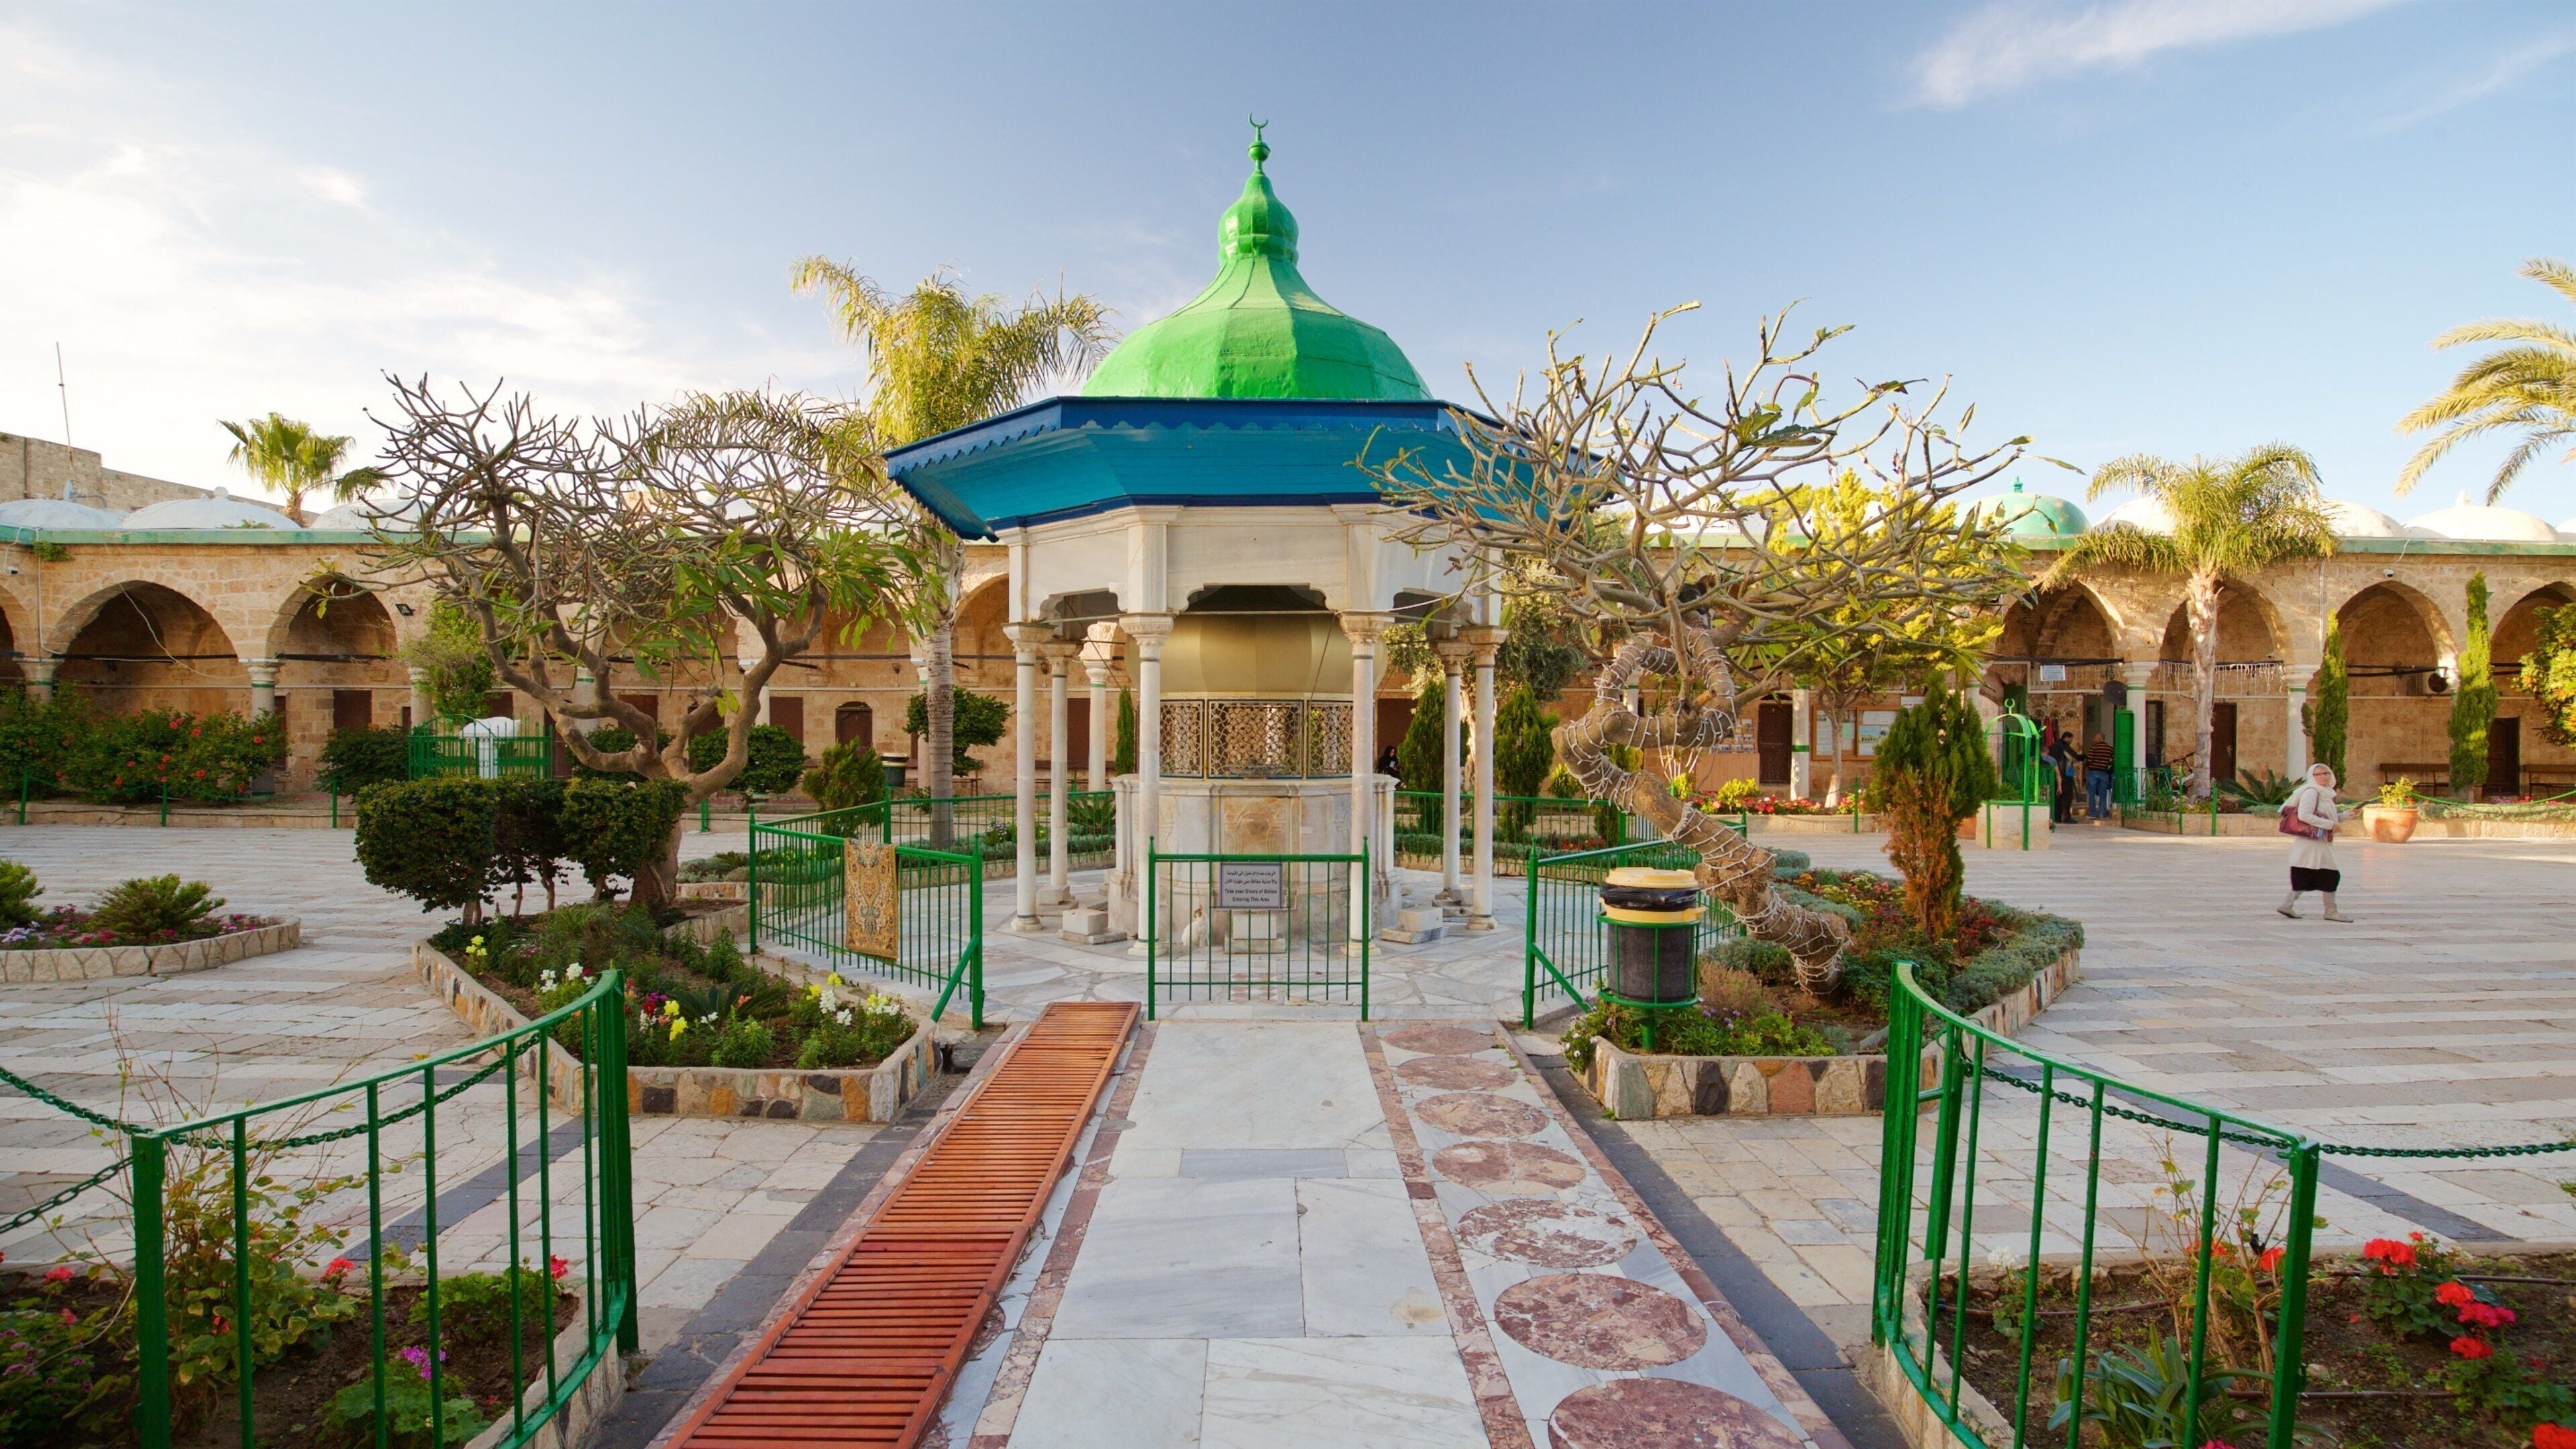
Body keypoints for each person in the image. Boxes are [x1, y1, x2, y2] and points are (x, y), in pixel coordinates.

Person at [2279, 762, 2354, 921]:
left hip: (2317, 842)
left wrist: (2346, 815)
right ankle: (2331, 911)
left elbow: (2325, 816)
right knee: (2331, 874)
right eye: (2318, 774)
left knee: (2306, 874)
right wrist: (2331, 825)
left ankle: (2287, 905)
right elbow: (2304, 815)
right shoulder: (2312, 792)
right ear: (2311, 777)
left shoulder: (2325, 794)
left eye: (2326, 773)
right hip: (2312, 842)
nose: (2323, 777)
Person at [2046, 731, 2078, 824]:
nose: (2071, 741)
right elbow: (2075, 757)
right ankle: (2067, 817)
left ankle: (2057, 817)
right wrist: (2084, 757)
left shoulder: (2052, 747)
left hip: (2054, 776)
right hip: (2066, 776)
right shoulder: (2064, 747)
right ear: (2067, 738)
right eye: (2071, 739)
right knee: (2067, 798)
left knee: (2057, 798)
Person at [2084, 732, 2114, 820]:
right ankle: (2102, 813)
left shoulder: (2094, 747)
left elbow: (2090, 759)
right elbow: (2114, 759)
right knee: (2103, 794)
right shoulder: (2110, 748)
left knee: (2092, 793)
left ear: (2099, 738)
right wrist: (2108, 766)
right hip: (2104, 772)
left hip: (2093, 772)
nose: (2094, 739)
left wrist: (2088, 765)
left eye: (2095, 738)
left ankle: (2092, 813)